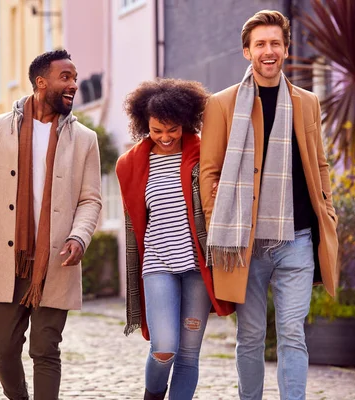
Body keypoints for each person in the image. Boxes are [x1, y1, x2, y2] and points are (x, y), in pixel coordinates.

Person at [0, 49, 102, 400]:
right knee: (4, 347)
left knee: (46, 348)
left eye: (74, 77)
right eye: (65, 77)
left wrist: (79, 236)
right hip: (8, 259)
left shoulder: (85, 139)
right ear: (42, 83)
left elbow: (91, 200)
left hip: (55, 259)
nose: (73, 85)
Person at [199, 10, 339, 400]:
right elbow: (208, 172)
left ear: (286, 50)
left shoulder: (307, 102)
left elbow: (319, 162)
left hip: (297, 238)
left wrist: (329, 210)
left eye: (275, 43)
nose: (268, 51)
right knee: (251, 335)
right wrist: (218, 224)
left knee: (293, 333)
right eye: (260, 44)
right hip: (245, 243)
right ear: (247, 51)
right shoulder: (222, 104)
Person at [116, 78, 234, 400]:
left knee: (188, 354)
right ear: (145, 125)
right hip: (158, 264)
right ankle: (152, 395)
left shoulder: (205, 154)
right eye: (157, 130)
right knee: (165, 347)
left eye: (172, 129)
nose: (165, 137)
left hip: (198, 268)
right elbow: (135, 220)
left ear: (185, 122)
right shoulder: (131, 165)